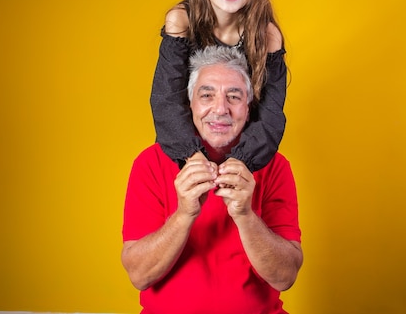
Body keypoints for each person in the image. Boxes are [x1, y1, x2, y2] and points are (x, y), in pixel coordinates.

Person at [123, 46, 302, 314]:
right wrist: (184, 214)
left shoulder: (276, 166)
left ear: (248, 107)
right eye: (207, 95)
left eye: (234, 96)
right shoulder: (149, 163)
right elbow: (139, 276)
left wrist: (245, 215)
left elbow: (285, 277)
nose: (220, 109)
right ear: (190, 104)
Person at [151, 0, 287, 173]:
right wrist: (191, 156)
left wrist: (241, 161)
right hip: (187, 152)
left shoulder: (267, 35)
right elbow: (166, 99)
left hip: (245, 154)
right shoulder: (180, 21)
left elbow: (271, 113)